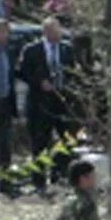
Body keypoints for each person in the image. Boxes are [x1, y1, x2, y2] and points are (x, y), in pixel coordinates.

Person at [18, 15, 77, 189]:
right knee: (40, 142)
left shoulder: (67, 49)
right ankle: (39, 180)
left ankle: (59, 175)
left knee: (66, 140)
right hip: (40, 103)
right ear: (45, 32)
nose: (57, 34)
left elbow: (73, 72)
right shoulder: (31, 50)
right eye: (53, 31)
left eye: (59, 30)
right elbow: (22, 72)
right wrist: (39, 82)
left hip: (62, 101)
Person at [0, 18, 16, 184]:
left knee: (5, 143)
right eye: (4, 31)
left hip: (4, 102)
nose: (7, 35)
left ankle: (4, 179)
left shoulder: (9, 52)